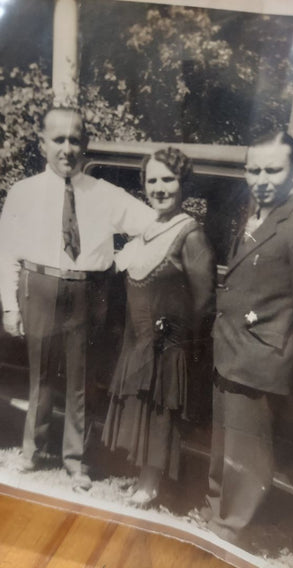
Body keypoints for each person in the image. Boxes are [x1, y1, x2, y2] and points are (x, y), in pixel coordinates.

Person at [0, 106, 156, 491]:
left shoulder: (104, 194)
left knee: (80, 379)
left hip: (87, 292)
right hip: (38, 287)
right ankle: (31, 451)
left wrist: (120, 260)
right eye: (58, 139)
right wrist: (8, 306)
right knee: (39, 377)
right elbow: (6, 253)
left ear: (84, 143)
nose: (67, 148)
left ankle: (75, 461)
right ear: (42, 144)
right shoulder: (23, 193)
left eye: (75, 139)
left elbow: (154, 225)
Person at [201, 131, 293, 543]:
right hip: (230, 349)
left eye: (274, 170)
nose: (262, 178)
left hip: (261, 357)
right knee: (224, 442)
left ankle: (233, 526)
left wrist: (282, 353)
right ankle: (217, 508)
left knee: (247, 452)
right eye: (254, 169)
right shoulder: (252, 214)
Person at [102, 146, 215, 505]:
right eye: (152, 180)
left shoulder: (191, 234)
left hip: (169, 344)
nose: (160, 187)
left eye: (168, 179)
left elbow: (204, 300)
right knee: (141, 406)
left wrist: (183, 347)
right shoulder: (146, 230)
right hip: (139, 340)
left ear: (183, 184)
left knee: (159, 412)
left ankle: (150, 485)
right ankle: (140, 476)